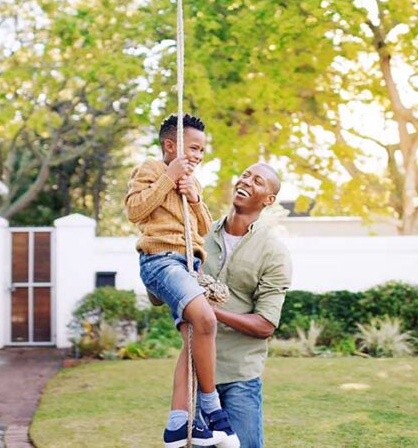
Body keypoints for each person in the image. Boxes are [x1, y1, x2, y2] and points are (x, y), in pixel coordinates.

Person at [125, 114, 239, 448]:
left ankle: (178, 424)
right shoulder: (151, 168)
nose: (198, 155)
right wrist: (169, 178)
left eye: (202, 150)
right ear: (170, 145)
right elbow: (135, 211)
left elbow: (204, 228)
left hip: (190, 266)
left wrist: (194, 197)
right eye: (193, 148)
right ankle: (213, 410)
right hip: (161, 260)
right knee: (206, 320)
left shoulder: (193, 182)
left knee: (193, 343)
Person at [201, 163, 293, 448]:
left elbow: (265, 325)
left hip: (239, 376)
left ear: (269, 200)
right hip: (196, 373)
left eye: (257, 181)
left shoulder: (274, 252)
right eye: (244, 175)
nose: (246, 181)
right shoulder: (200, 235)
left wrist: (208, 312)